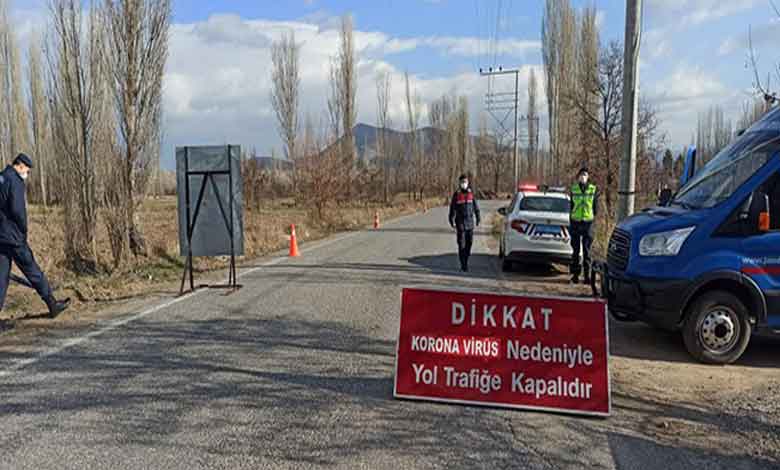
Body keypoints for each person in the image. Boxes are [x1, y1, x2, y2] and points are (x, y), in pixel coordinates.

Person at [0, 153, 70, 317]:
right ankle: (52, 304)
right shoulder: (15, 181)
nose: (27, 174)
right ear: (21, 165)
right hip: (15, 237)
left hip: (1, 237)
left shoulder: (2, 177)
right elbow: (18, 211)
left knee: (1, 278)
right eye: (28, 171)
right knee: (32, 270)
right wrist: (24, 229)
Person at [569, 167, 599, 285]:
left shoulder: (593, 189)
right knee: (575, 251)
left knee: (587, 252)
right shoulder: (574, 189)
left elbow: (595, 208)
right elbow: (571, 206)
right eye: (581, 175)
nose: (583, 177)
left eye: (585, 175)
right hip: (575, 223)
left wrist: (591, 218)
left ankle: (586, 277)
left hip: (588, 223)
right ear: (578, 177)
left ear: (588, 177)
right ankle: (575, 276)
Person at [449, 174, 480, 272]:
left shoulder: (471, 193)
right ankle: (463, 264)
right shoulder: (456, 194)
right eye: (462, 182)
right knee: (461, 244)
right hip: (460, 223)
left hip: (470, 223)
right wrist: (451, 219)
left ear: (468, 183)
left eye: (465, 182)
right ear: (459, 183)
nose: (464, 184)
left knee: (469, 243)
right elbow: (452, 208)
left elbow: (475, 206)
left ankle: (466, 259)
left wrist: (478, 217)